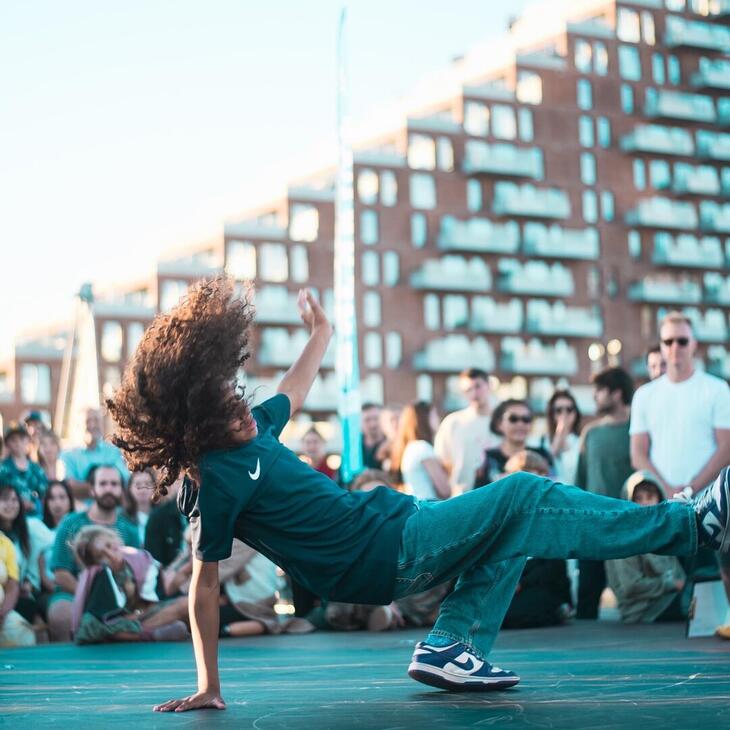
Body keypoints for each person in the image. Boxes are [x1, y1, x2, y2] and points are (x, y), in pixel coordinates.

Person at [104, 277, 728, 711]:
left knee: (513, 527)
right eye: (227, 408)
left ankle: (452, 645)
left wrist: (320, 331)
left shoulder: (255, 426)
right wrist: (209, 684)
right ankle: (687, 527)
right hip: (378, 554)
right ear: (194, 425)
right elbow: (203, 585)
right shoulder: (212, 480)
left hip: (397, 524)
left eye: (238, 394)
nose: (242, 407)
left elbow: (296, 383)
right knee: (521, 494)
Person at [631, 311, 730, 499]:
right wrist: (667, 491)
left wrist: (690, 489)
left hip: (709, 504)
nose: (675, 347)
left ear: (694, 345)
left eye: (682, 341)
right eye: (668, 341)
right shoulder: (644, 395)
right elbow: (637, 454)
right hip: (662, 504)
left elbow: (726, 447)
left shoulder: (717, 389)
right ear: (661, 346)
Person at [47, 464, 140, 642]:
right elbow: (61, 573)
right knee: (60, 615)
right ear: (92, 489)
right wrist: (89, 596)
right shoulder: (71, 524)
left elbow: (135, 575)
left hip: (119, 599)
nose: (108, 489)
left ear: (121, 490)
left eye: (114, 484)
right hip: (72, 592)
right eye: (103, 483)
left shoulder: (129, 530)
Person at [574, 367, 635, 619]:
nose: (595, 397)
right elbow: (580, 481)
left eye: (599, 391)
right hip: (593, 526)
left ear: (617, 393)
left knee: (636, 604)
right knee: (587, 600)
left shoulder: (638, 430)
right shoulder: (591, 432)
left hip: (632, 525)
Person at [70, 525, 189, 644]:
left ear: (114, 538)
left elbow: (156, 599)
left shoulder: (138, 559)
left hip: (141, 617)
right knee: (99, 628)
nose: (110, 554)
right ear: (94, 562)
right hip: (117, 625)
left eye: (109, 545)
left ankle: (148, 631)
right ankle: (145, 634)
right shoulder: (100, 575)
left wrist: (139, 613)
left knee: (186, 604)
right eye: (101, 556)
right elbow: (98, 619)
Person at [500, 451, 572, 629]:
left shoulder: (551, 514)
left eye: (541, 474)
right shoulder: (505, 514)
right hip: (511, 582)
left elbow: (553, 567)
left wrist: (521, 583)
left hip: (540, 584)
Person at [606, 471, 688, 624]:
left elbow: (679, 576)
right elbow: (631, 586)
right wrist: (671, 584)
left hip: (668, 602)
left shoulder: (661, 534)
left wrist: (680, 584)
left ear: (659, 500)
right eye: (638, 498)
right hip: (642, 611)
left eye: (650, 497)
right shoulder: (623, 539)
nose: (644, 503)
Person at [0, 483, 53, 626]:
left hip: (19, 593)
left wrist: (30, 582)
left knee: (33, 612)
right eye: (4, 499)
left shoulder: (30, 528)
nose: (11, 505)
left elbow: (55, 541)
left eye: (14, 500)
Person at [434, 368, 493, 496]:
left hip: (496, 495)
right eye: (468, 390)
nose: (474, 393)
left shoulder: (505, 422)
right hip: (461, 497)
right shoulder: (453, 422)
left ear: (489, 386)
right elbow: (442, 462)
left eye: (478, 386)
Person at [474, 400, 552, 486]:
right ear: (499, 424)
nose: (520, 424)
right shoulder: (488, 459)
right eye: (513, 419)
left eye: (526, 419)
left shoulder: (542, 455)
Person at [61, 408, 130, 498]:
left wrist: (87, 488)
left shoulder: (113, 451)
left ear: (102, 425)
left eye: (96, 420)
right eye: (88, 421)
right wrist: (109, 487)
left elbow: (124, 480)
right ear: (78, 426)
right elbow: (69, 486)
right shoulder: (68, 455)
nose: (93, 425)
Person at [390, 401, 450, 500]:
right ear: (424, 419)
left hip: (418, 506)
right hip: (428, 506)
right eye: (434, 415)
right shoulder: (422, 447)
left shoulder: (411, 447)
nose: (437, 419)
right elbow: (445, 490)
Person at [0, 422, 47, 515]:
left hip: (33, 517)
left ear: (28, 441)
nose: (18, 443)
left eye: (21, 439)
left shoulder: (36, 469)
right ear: (7, 443)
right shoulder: (2, 468)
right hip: (8, 517)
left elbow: (45, 495)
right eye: (13, 440)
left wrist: (34, 505)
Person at [0, 532, 35, 647]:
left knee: (23, 634)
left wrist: (2, 613)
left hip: (1, 611)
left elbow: (12, 584)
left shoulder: (5, 542)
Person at [543, 390, 582, 484]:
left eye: (569, 409)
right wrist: (559, 434)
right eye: (559, 410)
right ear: (552, 414)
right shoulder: (542, 441)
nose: (564, 414)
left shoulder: (582, 441)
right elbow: (544, 465)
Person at [125, 469, 156, 544]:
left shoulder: (163, 516)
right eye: (138, 485)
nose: (143, 489)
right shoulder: (123, 518)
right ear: (129, 488)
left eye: (148, 484)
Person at [361, 403, 385, 470]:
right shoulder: (353, 448)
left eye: (376, 418)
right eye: (367, 420)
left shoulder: (393, 445)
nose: (373, 424)